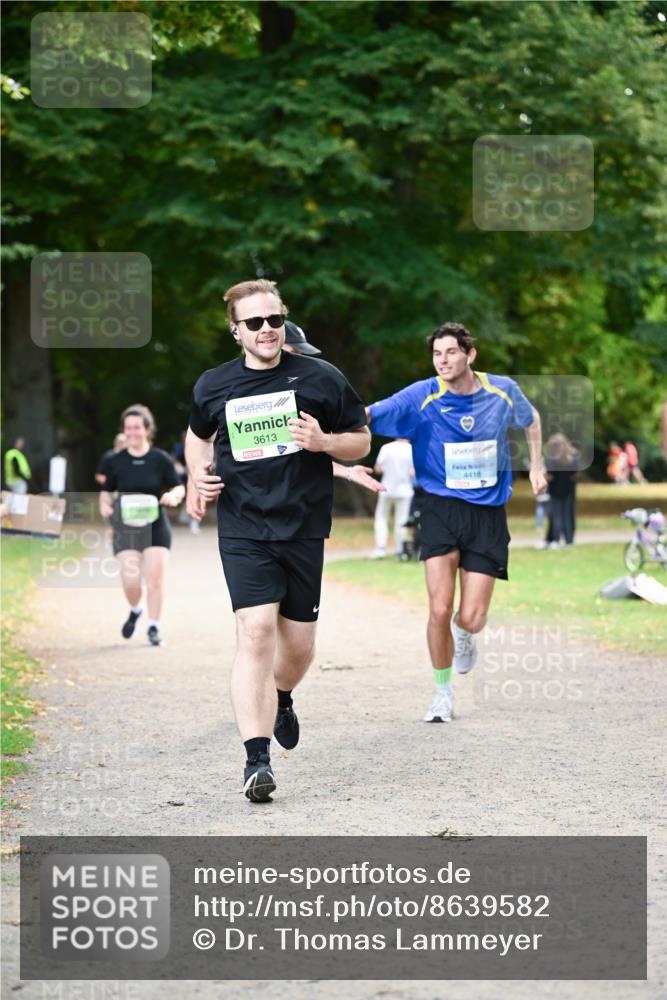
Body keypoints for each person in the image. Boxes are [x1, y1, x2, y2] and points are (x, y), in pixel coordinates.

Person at [185, 279, 369, 803]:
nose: (267, 330)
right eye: (254, 323)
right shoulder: (214, 385)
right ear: (235, 330)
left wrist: (325, 442)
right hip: (244, 527)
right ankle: (256, 760)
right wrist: (197, 475)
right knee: (256, 632)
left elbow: (360, 439)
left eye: (274, 320)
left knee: (299, 647)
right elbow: (198, 436)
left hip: (304, 526)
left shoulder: (320, 378)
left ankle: (283, 695)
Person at [367, 322, 547, 723]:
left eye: (450, 352)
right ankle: (442, 694)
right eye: (437, 354)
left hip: (486, 514)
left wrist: (536, 465)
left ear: (470, 355)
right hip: (439, 509)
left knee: (472, 616)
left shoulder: (501, 391)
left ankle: (464, 633)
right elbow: (371, 414)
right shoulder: (423, 395)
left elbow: (531, 418)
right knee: (438, 609)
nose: (443, 361)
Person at [99, 404, 185, 647]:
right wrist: (105, 506)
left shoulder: (160, 459)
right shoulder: (115, 461)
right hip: (125, 528)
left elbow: (178, 485)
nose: (132, 432)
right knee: (130, 581)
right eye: (128, 428)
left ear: (147, 429)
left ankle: (154, 626)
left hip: (155, 525)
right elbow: (106, 493)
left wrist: (174, 496)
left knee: (155, 580)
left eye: (137, 427)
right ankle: (136, 609)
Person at [283, 320, 384, 496]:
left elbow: (290, 459)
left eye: (299, 354)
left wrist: (345, 470)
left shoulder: (306, 394)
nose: (296, 362)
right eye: (290, 353)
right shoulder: (227, 387)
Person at [371, 438, 414, 558]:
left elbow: (378, 468)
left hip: (386, 488)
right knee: (401, 520)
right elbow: (413, 472)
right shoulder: (411, 449)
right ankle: (399, 550)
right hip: (405, 490)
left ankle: (380, 548)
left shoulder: (386, 447)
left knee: (381, 518)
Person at [543, 433, 579, 548]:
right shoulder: (573, 457)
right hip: (569, 490)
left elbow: (550, 476)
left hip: (554, 491)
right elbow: (576, 475)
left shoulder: (552, 459)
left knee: (555, 515)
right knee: (569, 515)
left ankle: (555, 539)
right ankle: (569, 540)